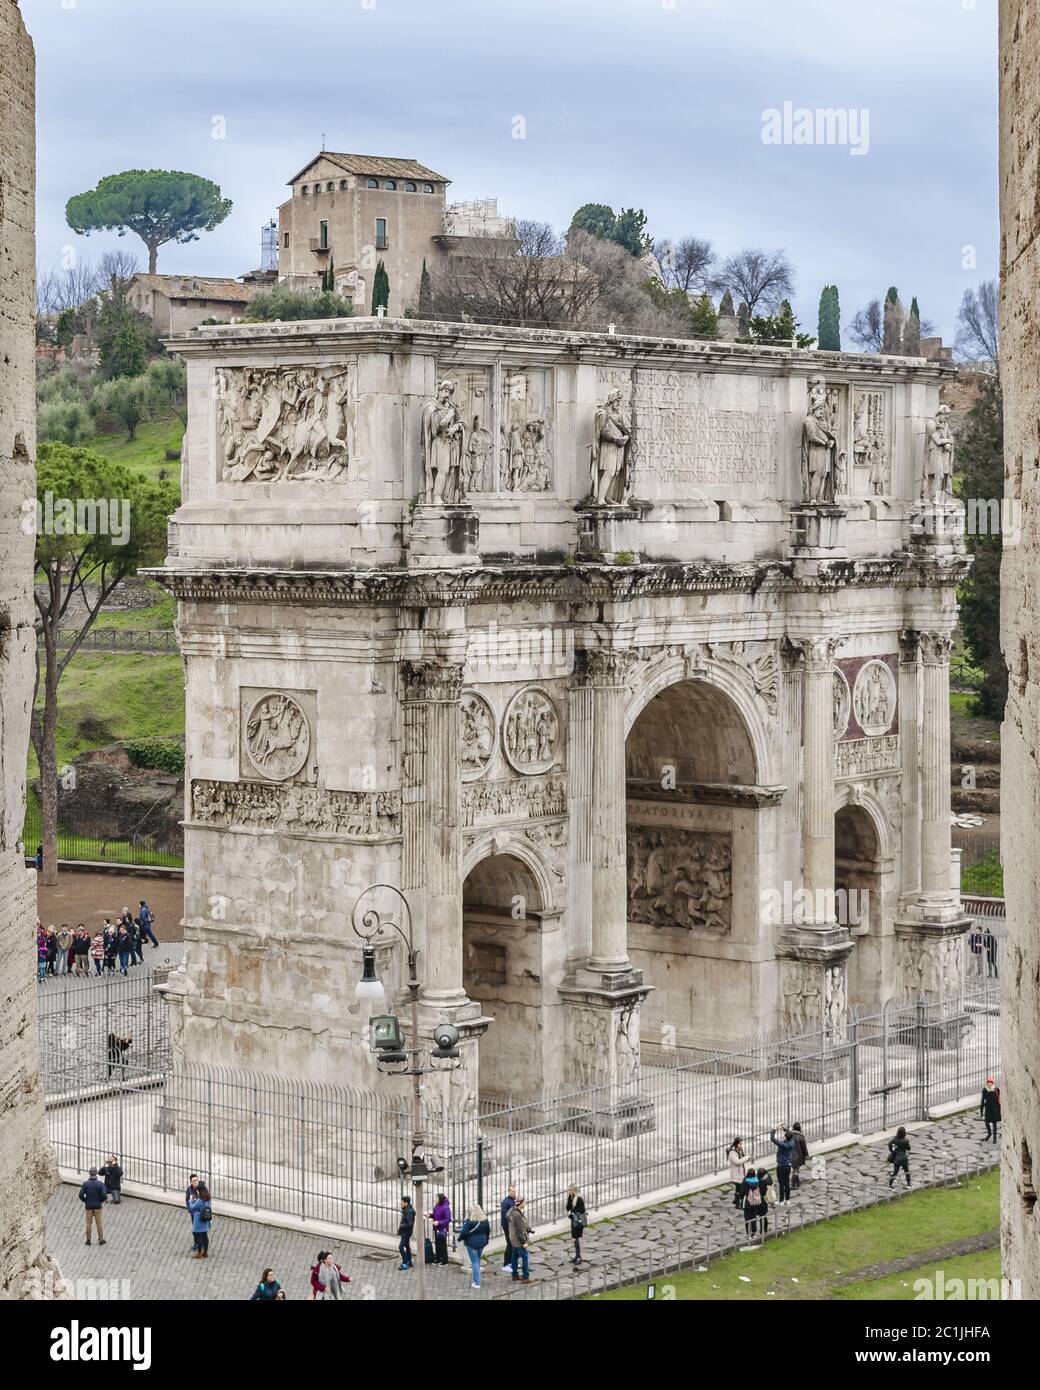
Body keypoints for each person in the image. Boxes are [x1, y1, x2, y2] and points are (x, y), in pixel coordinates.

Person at [457, 1204, 491, 1289]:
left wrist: (459, 1239)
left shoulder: (469, 1222)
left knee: (474, 1262)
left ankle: (477, 1282)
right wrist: (486, 1240)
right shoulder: (485, 1220)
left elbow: (464, 1233)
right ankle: (477, 1278)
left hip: (472, 1244)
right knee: (477, 1261)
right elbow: (488, 1231)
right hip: (482, 1243)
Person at [79, 1167, 108, 1246]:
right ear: (96, 1174)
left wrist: (86, 1201)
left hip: (88, 1206)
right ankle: (101, 1239)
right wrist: (100, 1201)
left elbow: (80, 1195)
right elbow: (105, 1196)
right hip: (98, 1206)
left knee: (89, 1223)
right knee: (99, 1223)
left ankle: (88, 1239)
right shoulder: (100, 1184)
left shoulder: (86, 1184)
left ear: (89, 1174)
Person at [508, 1195, 532, 1282]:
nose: (525, 1204)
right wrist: (524, 1242)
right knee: (525, 1257)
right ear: (520, 1203)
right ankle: (525, 1277)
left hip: (513, 1239)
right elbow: (519, 1230)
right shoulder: (517, 1214)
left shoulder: (512, 1211)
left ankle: (514, 1275)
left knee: (514, 1256)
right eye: (524, 1202)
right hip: (518, 1240)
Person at [770, 1127, 795, 1204]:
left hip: (781, 1166)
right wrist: (784, 1128)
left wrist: (774, 1129)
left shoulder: (782, 1144)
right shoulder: (792, 1142)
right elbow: (791, 1134)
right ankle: (787, 1200)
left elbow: (772, 1138)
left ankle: (781, 1201)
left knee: (781, 1183)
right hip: (788, 1165)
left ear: (785, 1137)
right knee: (787, 1182)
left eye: (784, 1135)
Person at [738, 1167, 763, 1241]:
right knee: (754, 1217)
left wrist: (740, 1198)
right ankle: (754, 1233)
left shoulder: (745, 1181)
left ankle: (748, 1234)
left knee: (747, 1218)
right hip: (756, 1202)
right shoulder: (757, 1181)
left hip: (747, 1202)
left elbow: (742, 1192)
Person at [189, 1181, 212, 1257]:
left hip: (199, 1220)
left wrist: (191, 1200)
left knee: (199, 1236)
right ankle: (205, 1252)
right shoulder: (208, 1198)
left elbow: (192, 1207)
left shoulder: (200, 1200)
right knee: (205, 1235)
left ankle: (199, 1253)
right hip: (206, 1219)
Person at [566, 1186, 587, 1266]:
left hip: (578, 1221)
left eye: (570, 1190)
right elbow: (567, 1208)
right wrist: (569, 1199)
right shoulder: (571, 1198)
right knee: (574, 1238)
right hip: (573, 1220)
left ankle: (578, 1257)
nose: (569, 1191)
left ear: (574, 1190)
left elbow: (582, 1210)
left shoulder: (579, 1199)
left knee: (575, 1237)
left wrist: (573, 1210)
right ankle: (577, 1256)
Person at [428, 1193, 452, 1265]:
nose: (435, 1199)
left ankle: (444, 1261)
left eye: (437, 1198)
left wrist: (439, 1222)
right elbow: (435, 1215)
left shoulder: (445, 1207)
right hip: (436, 1228)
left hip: (442, 1229)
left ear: (440, 1199)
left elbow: (448, 1219)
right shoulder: (436, 1206)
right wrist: (430, 1215)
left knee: (442, 1245)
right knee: (437, 1244)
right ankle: (438, 1259)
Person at [500, 1183, 517, 1272]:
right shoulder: (506, 1202)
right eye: (512, 1191)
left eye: (515, 1191)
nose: (514, 1193)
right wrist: (509, 1227)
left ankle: (511, 1261)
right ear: (509, 1191)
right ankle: (506, 1264)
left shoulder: (512, 1200)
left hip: (511, 1226)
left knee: (513, 1244)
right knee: (510, 1244)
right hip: (508, 1227)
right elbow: (505, 1216)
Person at [726, 1138, 747, 1207]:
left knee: (738, 1188)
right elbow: (737, 1162)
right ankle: (738, 1203)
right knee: (740, 1189)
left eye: (741, 1143)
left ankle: (736, 1201)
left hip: (740, 1173)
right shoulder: (733, 1153)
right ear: (736, 1143)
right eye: (740, 1144)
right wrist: (746, 1158)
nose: (741, 1145)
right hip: (736, 1174)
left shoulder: (738, 1150)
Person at [980, 1078, 1002, 1143]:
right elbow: (982, 1101)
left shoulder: (996, 1090)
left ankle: (994, 1139)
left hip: (995, 1109)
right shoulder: (984, 1090)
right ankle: (989, 1134)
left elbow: (998, 1100)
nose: (989, 1084)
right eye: (988, 1083)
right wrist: (981, 1112)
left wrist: (999, 1110)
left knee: (994, 1124)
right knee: (986, 1123)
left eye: (990, 1083)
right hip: (988, 1109)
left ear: (992, 1083)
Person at [397, 1195, 416, 1270]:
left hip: (406, 1232)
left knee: (401, 1247)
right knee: (407, 1246)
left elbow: (410, 1223)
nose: (400, 1203)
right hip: (405, 1232)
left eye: (402, 1202)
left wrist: (402, 1225)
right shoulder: (407, 1210)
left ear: (406, 1203)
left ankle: (405, 1262)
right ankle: (409, 1261)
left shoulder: (409, 1212)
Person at [790, 1122, 810, 1189]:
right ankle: (794, 1184)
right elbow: (804, 1148)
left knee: (794, 1170)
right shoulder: (801, 1137)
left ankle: (797, 1182)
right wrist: (807, 1155)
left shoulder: (790, 1135)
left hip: (791, 1155)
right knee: (796, 1170)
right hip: (798, 1156)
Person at [756, 1166, 775, 1234]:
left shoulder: (759, 1183)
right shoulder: (768, 1179)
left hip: (760, 1200)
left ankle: (762, 1231)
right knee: (764, 1216)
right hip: (765, 1199)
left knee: (762, 1216)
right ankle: (765, 1230)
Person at [185, 1174, 201, 1250]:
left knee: (201, 1229)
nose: (195, 1182)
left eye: (196, 1180)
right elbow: (187, 1199)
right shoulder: (189, 1190)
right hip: (193, 1213)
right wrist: (189, 1210)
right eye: (194, 1181)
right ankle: (196, 1243)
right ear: (191, 1182)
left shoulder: (201, 1189)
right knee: (195, 1229)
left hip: (200, 1213)